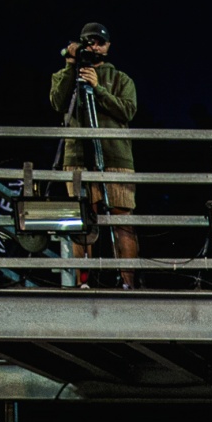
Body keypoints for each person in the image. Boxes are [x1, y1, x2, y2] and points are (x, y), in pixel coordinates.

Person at [48, 23, 140, 286]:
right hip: (77, 156)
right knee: (83, 221)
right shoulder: (66, 74)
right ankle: (83, 282)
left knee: (122, 221)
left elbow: (128, 110)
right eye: (90, 42)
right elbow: (57, 102)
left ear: (108, 46)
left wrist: (98, 88)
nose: (95, 47)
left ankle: (128, 283)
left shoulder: (121, 78)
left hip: (116, 157)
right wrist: (71, 66)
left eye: (100, 43)